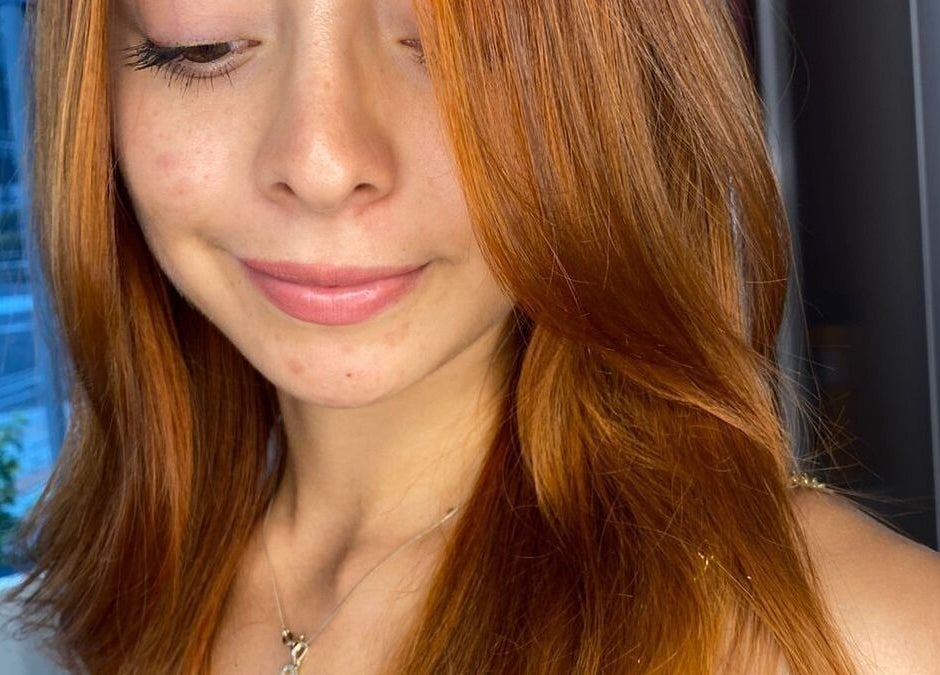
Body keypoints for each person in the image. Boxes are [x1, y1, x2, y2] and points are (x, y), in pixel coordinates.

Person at [1, 0, 938, 672]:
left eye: (457, 45)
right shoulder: (53, 623)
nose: (322, 162)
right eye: (203, 46)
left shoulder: (851, 634)